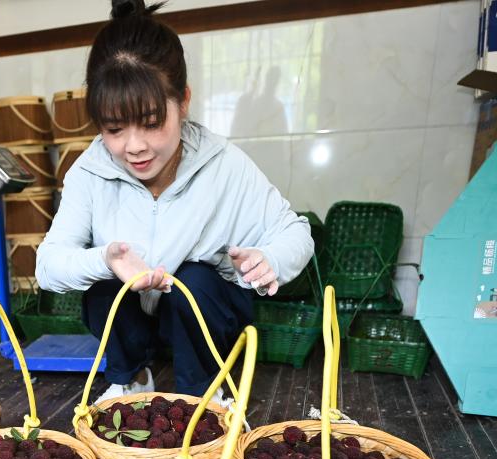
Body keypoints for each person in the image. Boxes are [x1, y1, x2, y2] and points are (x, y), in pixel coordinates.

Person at [35, 0, 313, 405]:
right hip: (137, 314)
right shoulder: (90, 171)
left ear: (182, 101)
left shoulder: (223, 164)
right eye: (114, 129)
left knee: (196, 281)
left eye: (151, 123)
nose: (134, 147)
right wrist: (105, 259)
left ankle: (204, 393)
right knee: (101, 288)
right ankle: (132, 377)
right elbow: (48, 265)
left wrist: (269, 257)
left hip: (199, 313)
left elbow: (295, 232)